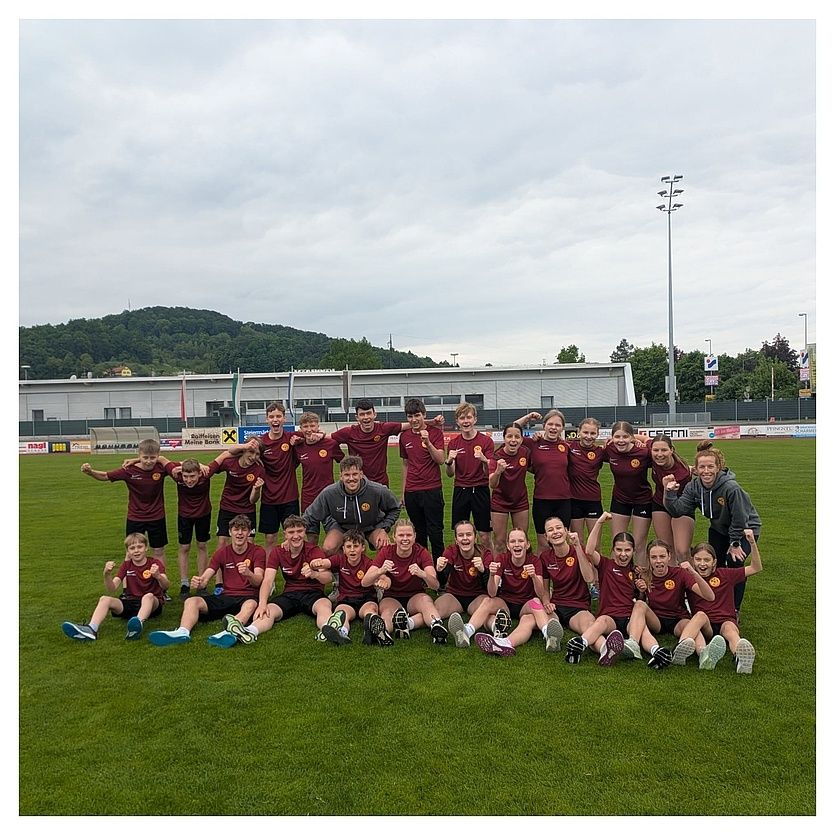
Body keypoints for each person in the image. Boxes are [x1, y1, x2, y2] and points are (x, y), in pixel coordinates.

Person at [663, 441, 762, 610]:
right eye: (702, 467)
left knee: (734, 562)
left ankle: (734, 609)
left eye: (710, 467)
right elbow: (678, 510)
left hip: (745, 529)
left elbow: (740, 517)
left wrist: (735, 543)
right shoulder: (694, 486)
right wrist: (669, 492)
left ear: (718, 468)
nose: (706, 471)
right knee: (715, 565)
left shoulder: (731, 488)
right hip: (719, 528)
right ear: (696, 469)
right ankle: (717, 603)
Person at [147, 514, 265, 646]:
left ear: (249, 533)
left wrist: (248, 574)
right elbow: (206, 577)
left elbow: (258, 581)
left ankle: (229, 633)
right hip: (226, 597)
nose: (240, 533)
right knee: (192, 601)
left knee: (251, 604)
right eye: (236, 529)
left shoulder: (258, 551)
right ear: (230, 532)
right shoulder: (222, 553)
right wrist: (199, 582)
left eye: (244, 530)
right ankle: (182, 632)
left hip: (247, 597)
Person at [220, 515, 335, 646]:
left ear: (304, 532)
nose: (296, 536)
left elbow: (328, 577)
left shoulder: (314, 550)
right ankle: (249, 631)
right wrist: (262, 604)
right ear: (285, 534)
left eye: (299, 531)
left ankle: (326, 630)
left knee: (324, 606)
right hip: (290, 594)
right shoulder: (278, 551)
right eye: (291, 532)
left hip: (313, 593)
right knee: (268, 610)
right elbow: (268, 580)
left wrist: (314, 574)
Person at [623, 540, 716, 670]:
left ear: (669, 556)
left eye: (662, 556)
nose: (658, 561)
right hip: (656, 620)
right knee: (639, 604)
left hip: (677, 619)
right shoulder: (644, 575)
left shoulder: (680, 573)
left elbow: (710, 596)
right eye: (654, 557)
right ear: (648, 558)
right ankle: (633, 643)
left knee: (691, 627)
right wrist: (641, 592)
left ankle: (703, 654)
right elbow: (638, 601)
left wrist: (693, 572)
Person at [471, 528, 562, 657]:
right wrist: (491, 575)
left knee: (534, 605)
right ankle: (466, 631)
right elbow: (492, 593)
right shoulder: (502, 558)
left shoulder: (534, 561)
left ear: (527, 544)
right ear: (508, 546)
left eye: (521, 541)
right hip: (505, 604)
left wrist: (534, 577)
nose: (517, 544)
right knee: (488, 601)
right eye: (513, 541)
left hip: (525, 605)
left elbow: (541, 593)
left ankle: (548, 635)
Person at [62, 532, 168, 641]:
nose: (136, 551)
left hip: (152, 605)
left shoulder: (154, 563)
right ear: (128, 551)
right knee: (104, 599)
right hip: (131, 602)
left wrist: (158, 576)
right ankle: (91, 629)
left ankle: (137, 625)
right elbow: (112, 588)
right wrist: (106, 574)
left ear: (146, 548)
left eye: (139, 547)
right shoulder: (126, 565)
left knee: (148, 596)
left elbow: (166, 585)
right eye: (132, 548)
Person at [564, 512, 638, 667]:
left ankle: (653, 650)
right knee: (601, 621)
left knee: (643, 631)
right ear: (613, 550)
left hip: (629, 620)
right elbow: (589, 551)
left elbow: (640, 599)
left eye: (627, 550)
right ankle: (581, 644)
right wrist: (599, 522)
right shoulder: (606, 565)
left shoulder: (636, 571)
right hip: (610, 618)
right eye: (619, 550)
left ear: (633, 551)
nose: (623, 554)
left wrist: (642, 589)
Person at [80, 438, 170, 561]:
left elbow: (182, 465)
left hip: (157, 517)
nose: (149, 461)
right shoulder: (129, 470)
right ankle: (128, 574)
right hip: (135, 517)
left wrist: (200, 465)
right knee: (131, 551)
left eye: (152, 458)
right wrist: (90, 472)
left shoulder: (161, 468)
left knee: (159, 551)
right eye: (145, 457)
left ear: (158, 456)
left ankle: (160, 574)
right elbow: (105, 476)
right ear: (139, 455)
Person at [361, 519, 448, 643]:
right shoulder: (386, 552)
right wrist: (380, 570)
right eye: (401, 535)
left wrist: (422, 573)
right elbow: (365, 582)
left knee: (426, 601)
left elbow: (435, 585)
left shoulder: (421, 552)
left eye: (409, 535)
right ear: (394, 537)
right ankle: (382, 632)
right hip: (392, 597)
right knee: (388, 612)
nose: (405, 539)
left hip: (415, 596)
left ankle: (436, 627)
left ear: (414, 536)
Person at [688, 533, 762, 673]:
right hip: (706, 625)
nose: (702, 564)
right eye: (698, 559)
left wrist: (752, 543)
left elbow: (755, 568)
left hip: (725, 621)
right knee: (699, 616)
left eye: (707, 560)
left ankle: (741, 657)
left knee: (730, 630)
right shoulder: (689, 577)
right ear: (692, 561)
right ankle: (700, 652)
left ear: (714, 562)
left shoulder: (725, 574)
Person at [327, 398, 442, 487]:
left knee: (382, 511)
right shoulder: (348, 432)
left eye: (368, 413)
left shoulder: (384, 429)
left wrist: (431, 422)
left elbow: (410, 424)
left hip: (381, 483)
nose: (366, 417)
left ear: (374, 414)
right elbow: (329, 440)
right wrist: (341, 458)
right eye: (362, 414)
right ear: (357, 417)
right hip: (358, 482)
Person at [301, 455, 401, 555]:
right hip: (342, 527)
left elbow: (395, 508)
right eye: (347, 475)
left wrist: (384, 528)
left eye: (355, 474)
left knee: (384, 546)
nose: (351, 478)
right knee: (328, 548)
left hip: (371, 526)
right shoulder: (329, 493)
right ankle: (340, 564)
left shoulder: (377, 490)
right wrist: (295, 532)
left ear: (361, 474)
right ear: (341, 476)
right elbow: (309, 516)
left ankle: (381, 565)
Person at [308, 530, 389, 646]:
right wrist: (315, 563)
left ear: (362, 548)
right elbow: (324, 562)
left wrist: (383, 581)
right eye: (348, 546)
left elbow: (381, 576)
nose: (352, 550)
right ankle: (341, 633)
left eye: (356, 546)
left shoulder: (368, 563)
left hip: (366, 599)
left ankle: (372, 629)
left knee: (370, 610)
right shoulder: (339, 559)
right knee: (341, 614)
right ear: (344, 549)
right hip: (346, 599)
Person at [513, 409, 572, 550]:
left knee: (562, 541)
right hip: (542, 499)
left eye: (557, 425)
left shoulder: (566, 446)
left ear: (562, 428)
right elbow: (513, 428)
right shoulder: (534, 443)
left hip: (563, 500)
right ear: (544, 425)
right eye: (550, 424)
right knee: (543, 543)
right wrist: (528, 417)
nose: (553, 428)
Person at [538, 516, 596, 654]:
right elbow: (545, 589)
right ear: (546, 537)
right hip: (556, 606)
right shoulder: (545, 557)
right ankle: (553, 639)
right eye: (550, 530)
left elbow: (589, 578)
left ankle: (605, 648)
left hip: (578, 606)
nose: (555, 532)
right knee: (544, 619)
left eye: (558, 528)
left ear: (566, 530)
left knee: (590, 627)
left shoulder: (578, 550)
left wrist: (577, 547)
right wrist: (546, 603)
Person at [399, 398, 446, 560]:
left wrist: (428, 442)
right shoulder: (404, 437)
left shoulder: (435, 433)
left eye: (417, 415)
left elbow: (440, 459)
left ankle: (440, 571)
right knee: (419, 534)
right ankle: (422, 568)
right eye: (410, 416)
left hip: (432, 490)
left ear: (424, 415)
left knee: (435, 533)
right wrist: (403, 492)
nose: (414, 420)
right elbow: (405, 464)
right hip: (412, 491)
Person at [601, 421, 653, 567]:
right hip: (620, 500)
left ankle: (641, 578)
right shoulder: (610, 449)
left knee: (638, 544)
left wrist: (642, 439)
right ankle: (616, 577)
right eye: (617, 437)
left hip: (642, 500)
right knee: (617, 542)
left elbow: (663, 451)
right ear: (612, 438)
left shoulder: (643, 452)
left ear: (631, 437)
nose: (621, 440)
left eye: (625, 437)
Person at [444, 402, 494, 549]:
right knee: (460, 534)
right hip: (461, 490)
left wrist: (484, 460)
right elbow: (450, 474)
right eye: (462, 418)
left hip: (480, 490)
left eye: (469, 417)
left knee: (484, 536)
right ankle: (461, 563)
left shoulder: (486, 441)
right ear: (457, 421)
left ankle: (488, 563)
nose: (466, 421)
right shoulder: (454, 443)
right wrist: (449, 462)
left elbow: (488, 472)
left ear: (475, 419)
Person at [165, 457, 215, 599]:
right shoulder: (177, 476)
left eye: (192, 476)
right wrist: (180, 464)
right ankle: (184, 584)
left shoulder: (206, 474)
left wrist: (202, 464)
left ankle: (201, 583)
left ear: (199, 473)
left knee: (202, 545)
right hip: (184, 516)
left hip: (203, 515)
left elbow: (224, 456)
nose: (188, 480)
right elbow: (161, 458)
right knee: (184, 547)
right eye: (185, 476)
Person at [436, 520, 492, 648]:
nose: (465, 538)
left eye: (469, 534)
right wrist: (440, 570)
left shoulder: (485, 553)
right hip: (454, 596)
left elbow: (489, 587)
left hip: (478, 596)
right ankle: (409, 623)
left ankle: (496, 628)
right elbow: (442, 582)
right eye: (461, 535)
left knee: (486, 612)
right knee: (434, 610)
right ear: (456, 539)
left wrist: (483, 570)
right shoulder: (451, 551)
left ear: (475, 537)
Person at [289, 412, 344, 535]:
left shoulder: (330, 444)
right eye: (305, 426)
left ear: (318, 426)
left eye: (312, 425)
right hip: (308, 498)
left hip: (329, 497)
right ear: (301, 428)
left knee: (334, 537)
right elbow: (291, 466)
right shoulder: (298, 447)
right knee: (311, 537)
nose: (309, 429)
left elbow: (344, 462)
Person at [648, 435, 694, 565]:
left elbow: (673, 503)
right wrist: (633, 439)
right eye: (656, 450)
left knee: (682, 551)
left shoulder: (682, 473)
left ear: (671, 450)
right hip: (659, 504)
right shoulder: (654, 456)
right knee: (667, 549)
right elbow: (643, 439)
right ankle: (672, 576)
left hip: (680, 506)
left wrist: (667, 489)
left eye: (664, 450)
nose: (659, 454)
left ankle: (691, 575)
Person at [488, 423, 531, 554]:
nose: (513, 440)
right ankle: (499, 567)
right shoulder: (496, 456)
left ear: (522, 439)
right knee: (500, 543)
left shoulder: (525, 452)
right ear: (504, 438)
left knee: (522, 540)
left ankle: (521, 567)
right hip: (500, 502)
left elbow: (535, 467)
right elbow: (492, 484)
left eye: (517, 437)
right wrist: (498, 471)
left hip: (520, 502)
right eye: (509, 436)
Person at [567, 417, 606, 540]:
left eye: (593, 433)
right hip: (573, 500)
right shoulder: (569, 447)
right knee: (578, 542)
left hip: (593, 500)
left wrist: (637, 441)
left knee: (595, 545)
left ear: (598, 434)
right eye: (585, 432)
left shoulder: (601, 451)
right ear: (578, 432)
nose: (589, 436)